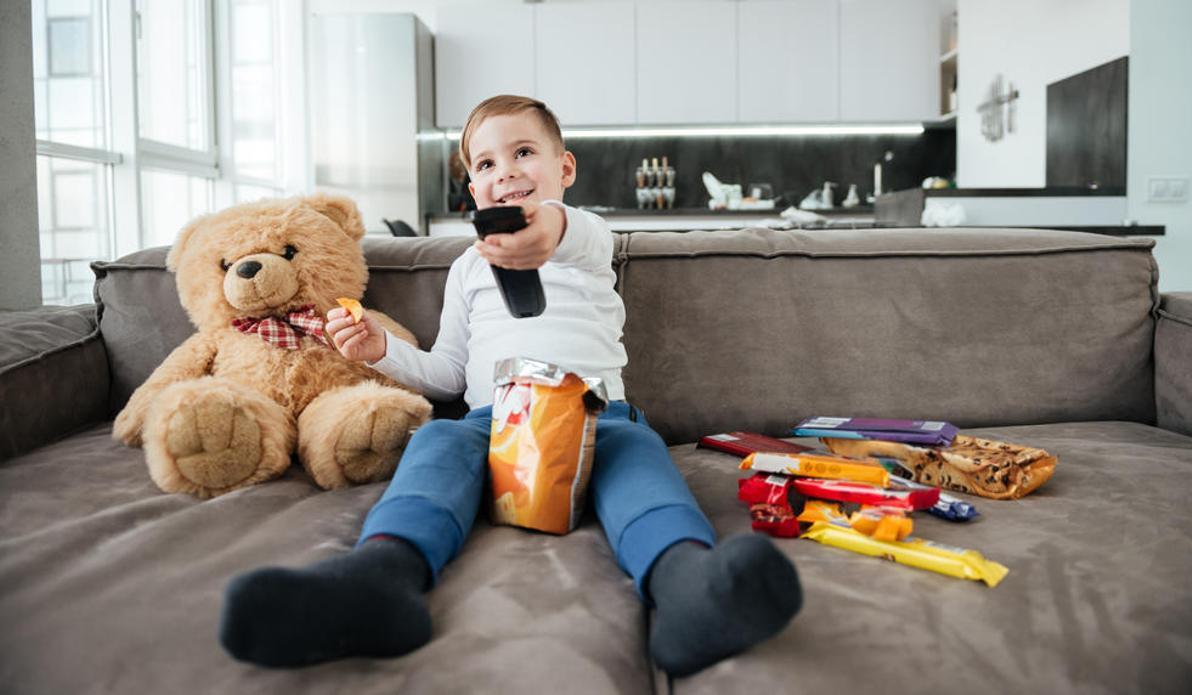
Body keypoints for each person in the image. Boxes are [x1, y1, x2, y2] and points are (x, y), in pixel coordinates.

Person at [218, 95, 802, 678]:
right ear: (474, 190)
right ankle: (381, 577)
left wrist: (545, 227)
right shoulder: (467, 269)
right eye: (487, 164)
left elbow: (569, 232)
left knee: (638, 460)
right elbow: (449, 373)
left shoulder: (586, 237)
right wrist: (383, 351)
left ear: (564, 168)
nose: (507, 172)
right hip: (494, 421)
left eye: (524, 153)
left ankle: (686, 582)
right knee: (439, 441)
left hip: (598, 416)